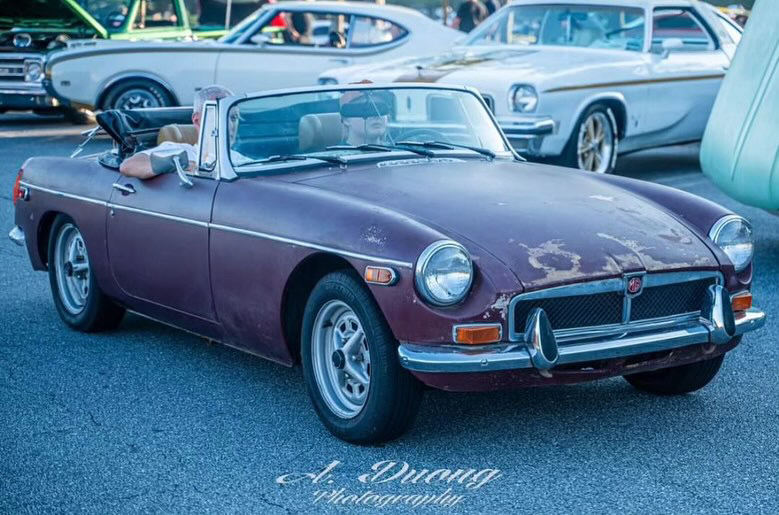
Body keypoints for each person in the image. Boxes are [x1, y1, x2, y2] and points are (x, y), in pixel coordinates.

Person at [119, 85, 233, 179]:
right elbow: (128, 166)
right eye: (220, 116)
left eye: (233, 117)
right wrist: (184, 164)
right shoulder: (184, 151)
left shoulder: (240, 158)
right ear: (198, 121)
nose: (230, 125)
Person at [339, 82, 394, 146]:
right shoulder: (337, 155)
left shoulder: (398, 151)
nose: (377, 115)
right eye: (366, 109)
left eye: (381, 108)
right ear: (346, 120)